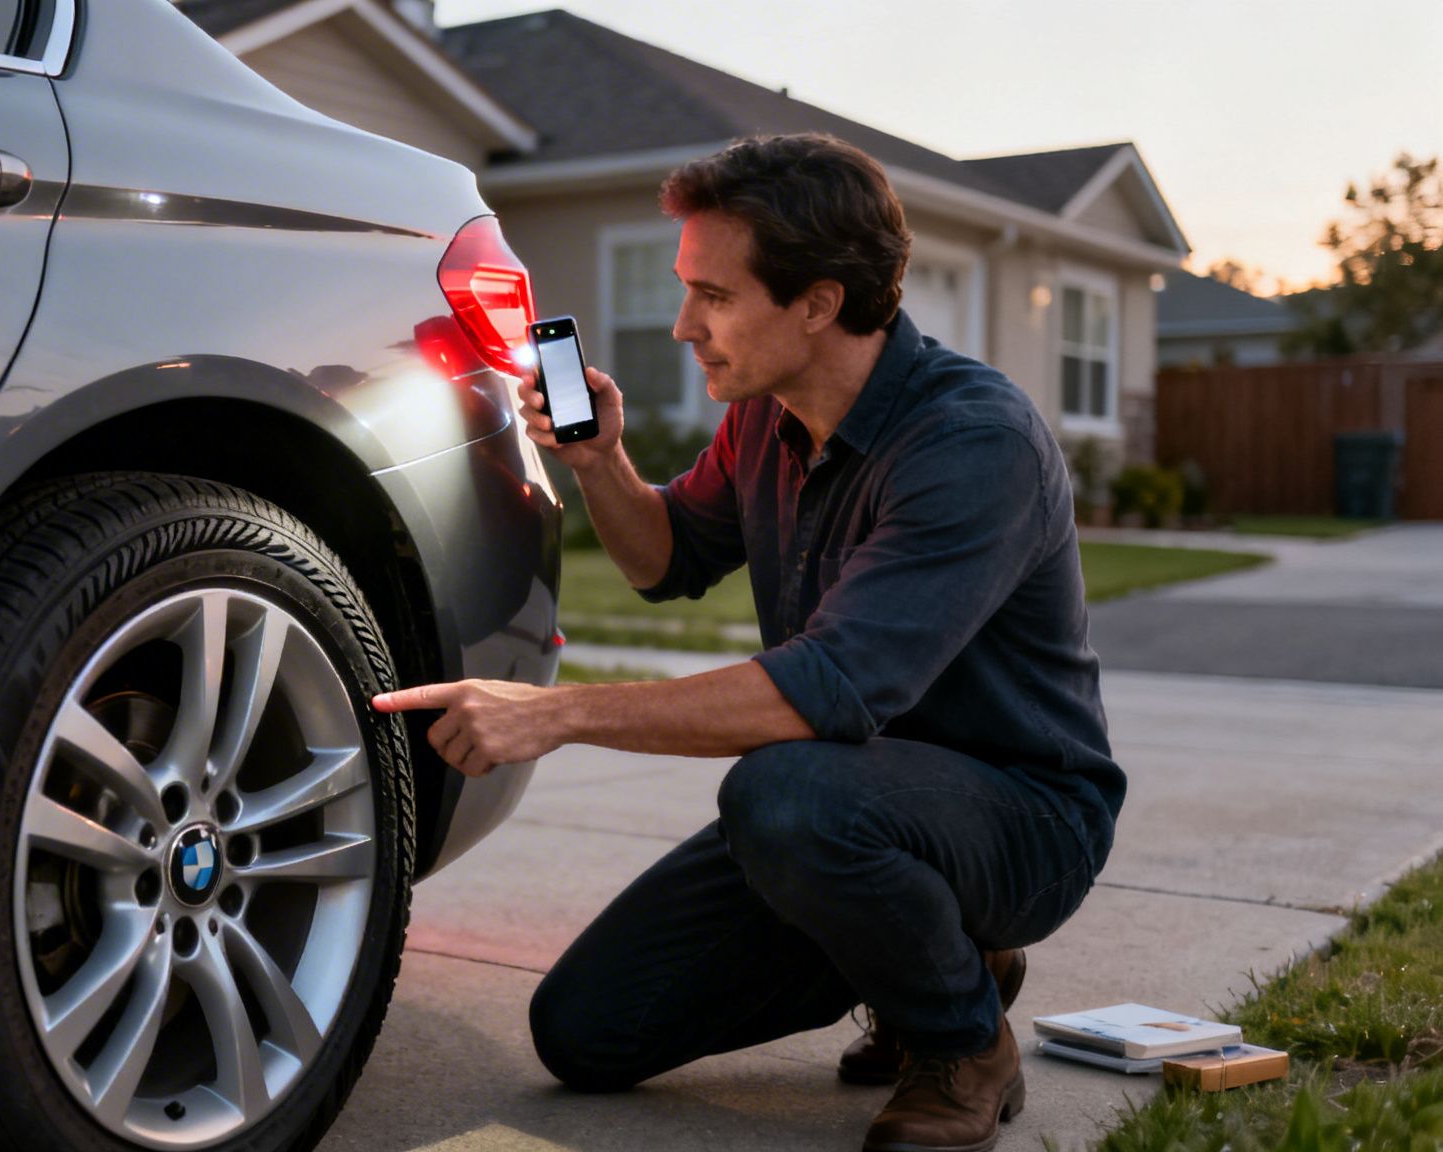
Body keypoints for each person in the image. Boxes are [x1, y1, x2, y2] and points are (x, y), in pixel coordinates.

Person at [372, 133, 1124, 1152]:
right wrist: (599, 464)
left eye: (713, 296)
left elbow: (824, 690)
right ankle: (938, 957)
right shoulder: (767, 418)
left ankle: (958, 1039)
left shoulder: (971, 442)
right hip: (853, 808)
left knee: (781, 793)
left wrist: (553, 713)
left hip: (1018, 818)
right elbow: (664, 559)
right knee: (583, 1034)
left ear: (816, 302)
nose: (683, 326)